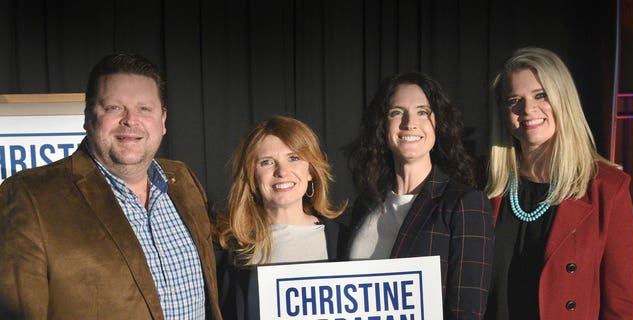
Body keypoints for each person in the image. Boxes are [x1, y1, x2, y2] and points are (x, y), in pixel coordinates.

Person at [0, 53, 223, 319]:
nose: (131, 120)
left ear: (163, 121)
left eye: (144, 108)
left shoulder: (183, 179)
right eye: (114, 107)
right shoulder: (30, 195)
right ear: (87, 117)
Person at [484, 47, 633, 319]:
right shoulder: (482, 185)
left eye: (541, 95)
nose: (528, 109)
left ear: (563, 100)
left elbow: (621, 305)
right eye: (514, 100)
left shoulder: (607, 188)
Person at [343, 72, 495, 319]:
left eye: (422, 112)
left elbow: (467, 312)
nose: (409, 123)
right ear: (382, 125)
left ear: (439, 124)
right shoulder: (366, 204)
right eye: (396, 112)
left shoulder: (464, 204)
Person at [214, 115, 347, 320]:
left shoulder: (343, 242)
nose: (282, 171)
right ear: (252, 177)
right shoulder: (229, 250)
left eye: (293, 158)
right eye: (266, 162)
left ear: (311, 170)